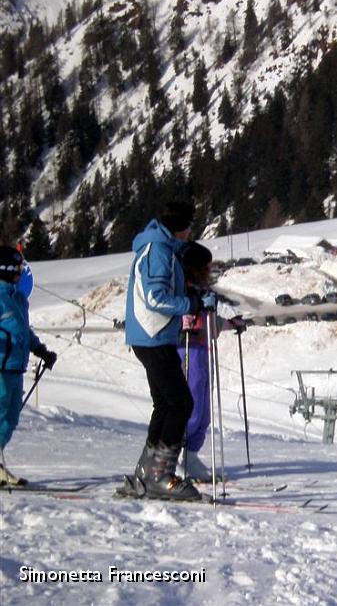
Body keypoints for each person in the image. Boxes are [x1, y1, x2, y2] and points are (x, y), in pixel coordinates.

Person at [124, 201, 205, 501]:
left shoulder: (161, 248)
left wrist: (189, 294)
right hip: (153, 335)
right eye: (189, 228)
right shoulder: (159, 251)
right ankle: (160, 474)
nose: (191, 233)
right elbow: (155, 298)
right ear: (180, 229)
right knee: (181, 403)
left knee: (166, 404)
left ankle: (147, 471)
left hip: (151, 335)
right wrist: (190, 305)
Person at [176, 242, 244, 482]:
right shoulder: (182, 290)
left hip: (203, 349)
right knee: (191, 402)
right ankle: (176, 457)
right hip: (187, 349)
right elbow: (180, 318)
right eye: (205, 266)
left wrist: (229, 323)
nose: (209, 271)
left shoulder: (202, 291)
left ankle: (191, 456)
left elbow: (210, 322)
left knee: (203, 408)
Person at [0, 246, 57, 486]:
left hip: (16, 367)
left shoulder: (19, 299)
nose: (21, 272)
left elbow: (23, 329)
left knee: (10, 418)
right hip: (1, 366)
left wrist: (40, 350)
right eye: (18, 268)